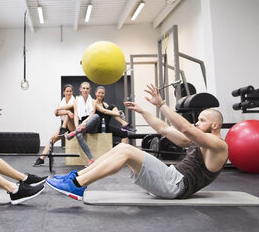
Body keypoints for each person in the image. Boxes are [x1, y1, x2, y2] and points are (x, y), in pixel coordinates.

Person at [46, 83, 228, 201]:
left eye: (202, 120)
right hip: (169, 178)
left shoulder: (219, 146)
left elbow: (186, 128)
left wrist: (161, 104)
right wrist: (143, 111)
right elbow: (164, 129)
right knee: (123, 147)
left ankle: (77, 186)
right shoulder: (199, 142)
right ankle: (76, 177)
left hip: (176, 185)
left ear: (215, 125)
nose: (197, 122)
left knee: (126, 151)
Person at [33, 84, 76, 167]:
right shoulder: (61, 102)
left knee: (68, 110)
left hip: (73, 125)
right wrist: (65, 112)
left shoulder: (74, 101)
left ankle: (63, 128)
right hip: (65, 124)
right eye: (67, 91)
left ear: (72, 92)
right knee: (52, 138)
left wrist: (63, 110)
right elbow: (56, 113)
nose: (69, 93)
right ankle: (41, 159)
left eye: (70, 91)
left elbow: (61, 110)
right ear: (64, 92)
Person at [65, 82, 100, 166]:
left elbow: (92, 114)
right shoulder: (76, 101)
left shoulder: (93, 101)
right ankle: (91, 159)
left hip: (91, 125)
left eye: (87, 88)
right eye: (83, 88)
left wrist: (84, 123)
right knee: (79, 135)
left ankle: (74, 133)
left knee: (96, 116)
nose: (85, 90)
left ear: (89, 90)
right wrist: (77, 127)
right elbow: (76, 115)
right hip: (81, 125)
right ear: (80, 89)